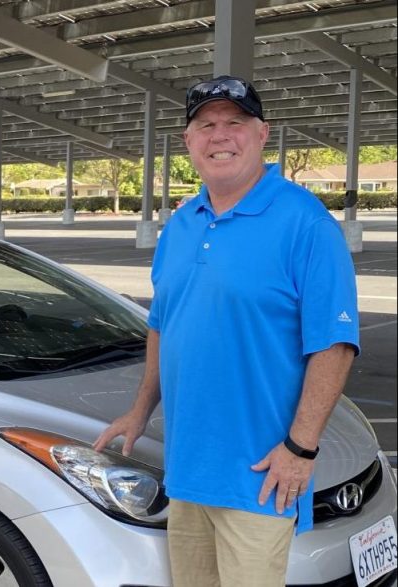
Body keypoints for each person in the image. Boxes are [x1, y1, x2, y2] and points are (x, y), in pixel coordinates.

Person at [93, 75, 359, 586]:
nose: (221, 136)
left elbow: (335, 345)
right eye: (206, 125)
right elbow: (163, 324)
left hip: (260, 478)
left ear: (263, 134)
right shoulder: (181, 225)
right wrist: (140, 409)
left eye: (235, 123)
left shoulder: (305, 223)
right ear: (189, 143)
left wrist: (301, 450)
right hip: (189, 470)